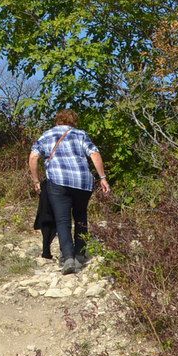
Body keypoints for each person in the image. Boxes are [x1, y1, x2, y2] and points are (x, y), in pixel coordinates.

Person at [29, 110, 111, 274]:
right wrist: (102, 177)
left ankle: (68, 258)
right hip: (82, 182)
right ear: (74, 121)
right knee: (81, 216)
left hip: (58, 181)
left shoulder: (46, 135)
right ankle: (80, 255)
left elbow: (33, 157)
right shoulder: (80, 134)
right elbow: (94, 153)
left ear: (57, 120)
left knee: (62, 219)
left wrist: (36, 181)